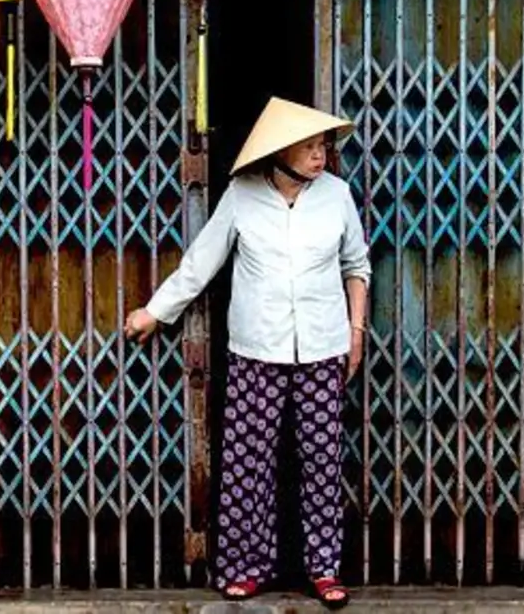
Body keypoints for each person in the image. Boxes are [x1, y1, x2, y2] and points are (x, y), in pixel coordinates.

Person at [122, 96, 371, 609]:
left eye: (323, 144)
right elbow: (201, 263)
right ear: (279, 152)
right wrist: (155, 311)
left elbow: (356, 266)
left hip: (323, 347)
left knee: (322, 460)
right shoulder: (241, 195)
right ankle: (245, 565)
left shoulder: (337, 196)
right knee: (247, 461)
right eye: (308, 146)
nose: (320, 154)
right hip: (257, 348)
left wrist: (356, 332)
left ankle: (323, 569)